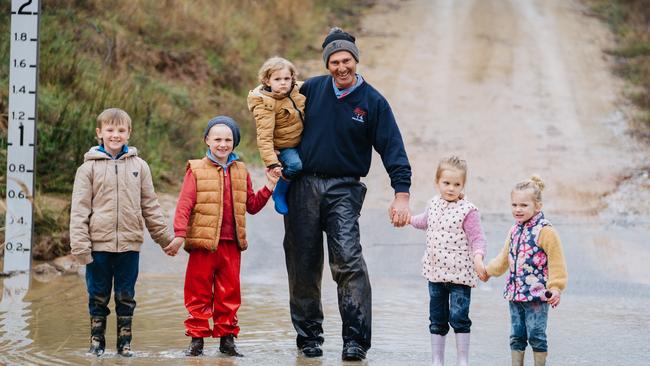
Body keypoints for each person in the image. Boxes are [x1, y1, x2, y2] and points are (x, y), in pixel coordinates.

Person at [283, 27, 412, 361]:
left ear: (356, 61)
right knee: (303, 264)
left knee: (349, 262)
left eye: (347, 61)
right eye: (335, 62)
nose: (341, 67)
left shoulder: (373, 102)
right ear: (327, 64)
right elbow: (271, 105)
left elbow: (393, 149)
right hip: (303, 186)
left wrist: (402, 193)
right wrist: (273, 158)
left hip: (345, 187)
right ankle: (309, 338)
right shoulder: (310, 89)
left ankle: (355, 341)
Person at [164, 116, 277, 357]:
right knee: (198, 292)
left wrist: (269, 187)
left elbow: (252, 205)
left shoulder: (241, 170)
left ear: (234, 142)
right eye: (217, 139)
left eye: (228, 139)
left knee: (229, 294)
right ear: (207, 140)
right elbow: (185, 204)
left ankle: (227, 342)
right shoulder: (195, 169)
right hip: (202, 245)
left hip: (231, 244)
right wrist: (179, 235)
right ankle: (197, 341)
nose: (223, 144)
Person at [70, 108, 175, 357]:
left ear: (129, 133)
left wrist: (165, 240)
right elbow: (79, 210)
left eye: (121, 130)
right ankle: (97, 344)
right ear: (99, 133)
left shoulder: (140, 166)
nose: (115, 135)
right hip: (98, 246)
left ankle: (124, 344)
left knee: (126, 296)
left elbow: (150, 205)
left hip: (129, 245)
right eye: (110, 130)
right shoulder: (87, 169)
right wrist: (81, 248)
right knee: (98, 296)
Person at [408, 156, 487, 366]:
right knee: (437, 320)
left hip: (460, 276)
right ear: (437, 182)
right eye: (446, 183)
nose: (451, 188)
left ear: (463, 185)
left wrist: (478, 258)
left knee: (459, 318)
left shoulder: (468, 211)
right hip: (435, 274)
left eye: (457, 184)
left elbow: (477, 238)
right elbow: (424, 221)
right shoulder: (433, 204)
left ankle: (462, 360)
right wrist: (407, 218)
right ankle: (437, 360)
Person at [484, 176, 568, 366]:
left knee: (537, 336)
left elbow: (557, 262)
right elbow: (504, 258)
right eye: (514, 205)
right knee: (516, 336)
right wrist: (488, 271)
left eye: (523, 205)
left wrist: (556, 287)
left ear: (537, 206)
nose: (518, 209)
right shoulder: (514, 230)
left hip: (537, 297)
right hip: (515, 295)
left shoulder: (546, 231)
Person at [247, 56, 305, 215]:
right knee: (295, 166)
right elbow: (264, 137)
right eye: (277, 79)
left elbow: (319, 87)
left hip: (302, 138)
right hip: (284, 146)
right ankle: (280, 191)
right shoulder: (265, 104)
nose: (283, 82)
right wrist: (272, 163)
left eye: (287, 78)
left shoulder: (298, 90)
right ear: (267, 80)